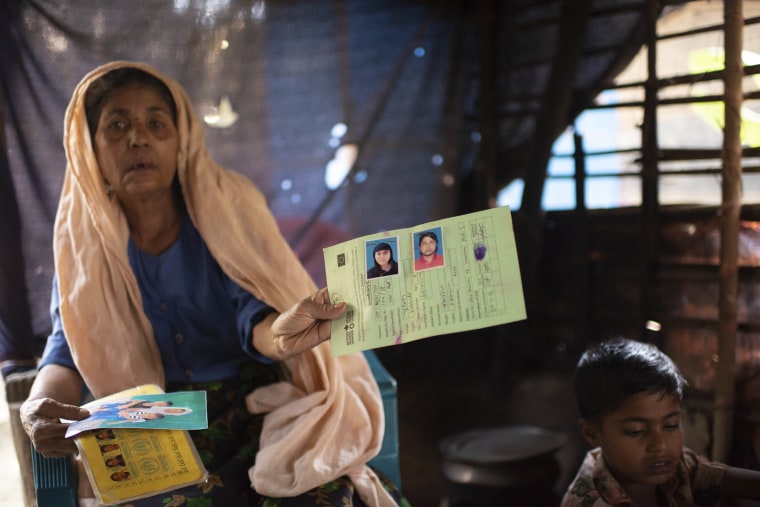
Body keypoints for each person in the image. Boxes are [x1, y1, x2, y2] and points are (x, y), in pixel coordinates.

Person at [20, 61, 404, 506]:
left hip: (250, 404)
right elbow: (67, 349)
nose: (138, 137)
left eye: (156, 123)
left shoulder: (225, 209)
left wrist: (282, 336)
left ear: (182, 141)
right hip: (151, 423)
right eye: (117, 125)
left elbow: (256, 314)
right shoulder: (83, 243)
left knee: (317, 493)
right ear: (92, 151)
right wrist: (38, 407)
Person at [561, 337, 760, 507]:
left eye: (671, 425)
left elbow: (722, 478)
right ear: (592, 433)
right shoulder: (588, 502)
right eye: (636, 431)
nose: (661, 444)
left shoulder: (677, 465)